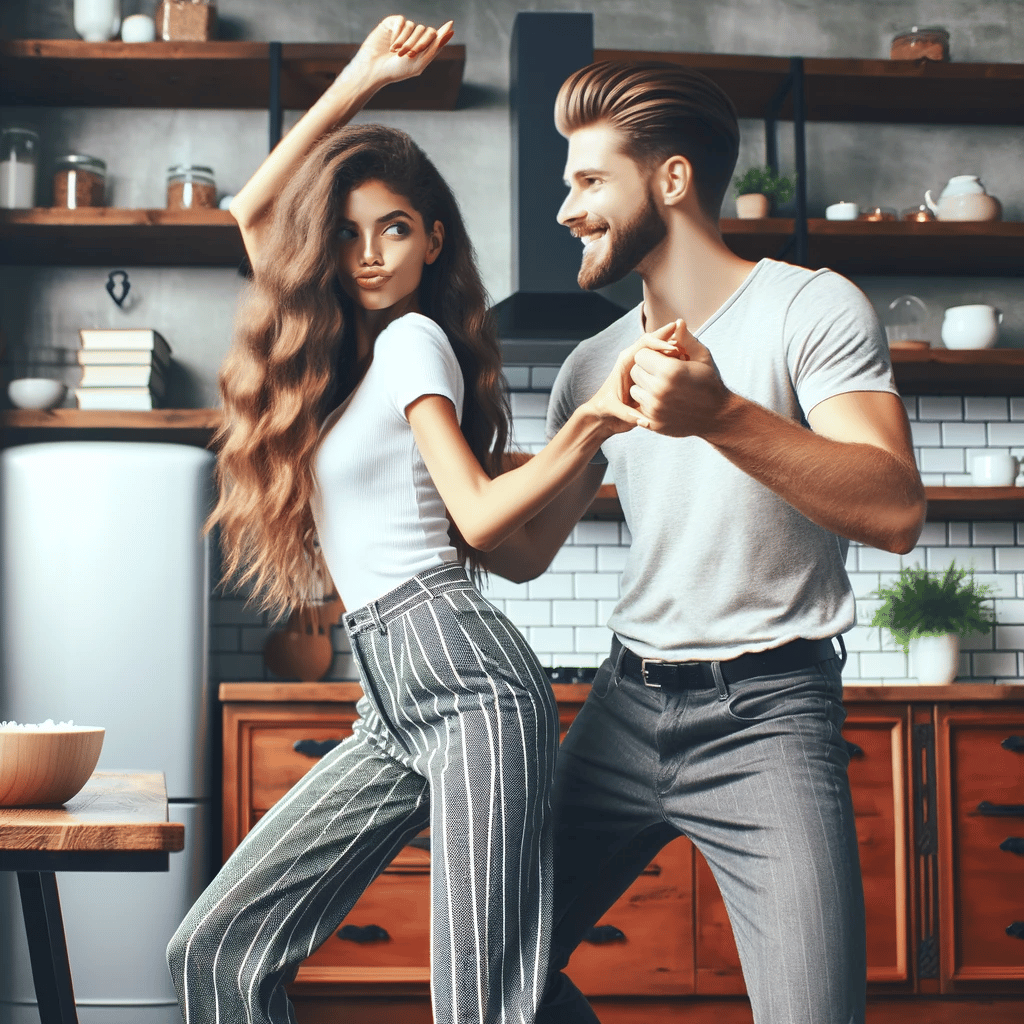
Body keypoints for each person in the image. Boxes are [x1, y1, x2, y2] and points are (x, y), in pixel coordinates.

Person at [164, 19, 678, 1024]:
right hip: (390, 696)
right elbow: (255, 207)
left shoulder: (411, 341)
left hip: (465, 679)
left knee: (482, 999)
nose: (368, 254)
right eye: (350, 232)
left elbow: (483, 517)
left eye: (394, 227)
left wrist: (591, 426)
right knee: (215, 949)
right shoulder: (342, 360)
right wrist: (359, 78)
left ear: (433, 238)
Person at [481, 61, 927, 1024]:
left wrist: (719, 412)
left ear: (672, 180)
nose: (566, 210)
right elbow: (520, 554)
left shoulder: (809, 306)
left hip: (772, 714)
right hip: (622, 710)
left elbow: (894, 508)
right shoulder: (590, 365)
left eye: (589, 181)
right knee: (487, 972)